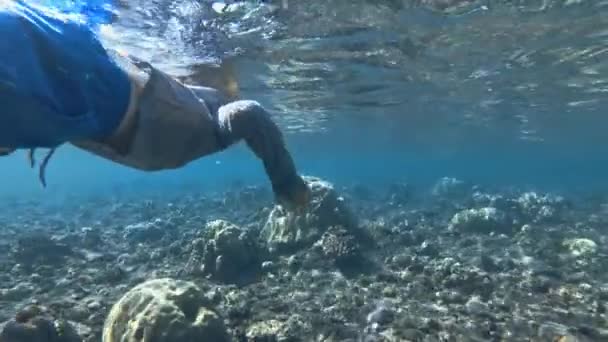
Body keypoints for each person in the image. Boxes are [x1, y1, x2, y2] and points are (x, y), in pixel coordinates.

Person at [0, 0, 310, 209]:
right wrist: (288, 185)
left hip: (72, 60)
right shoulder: (211, 126)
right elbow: (249, 113)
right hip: (99, 93)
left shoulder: (201, 111)